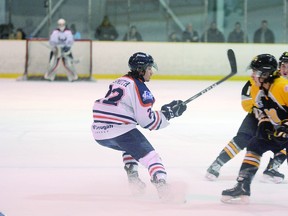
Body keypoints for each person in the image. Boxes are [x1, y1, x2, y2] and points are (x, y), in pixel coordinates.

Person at [91, 52, 187, 200]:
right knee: (152, 158)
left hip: (99, 132)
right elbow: (147, 121)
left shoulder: (120, 80)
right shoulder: (140, 87)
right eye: (149, 69)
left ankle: (133, 178)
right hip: (119, 129)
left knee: (129, 147)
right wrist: (168, 114)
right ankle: (163, 188)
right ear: (141, 70)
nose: (152, 72)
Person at [206, 52, 288, 183]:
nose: (285, 70)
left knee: (283, 140)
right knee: (243, 138)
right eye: (284, 66)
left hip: (279, 118)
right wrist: (257, 110)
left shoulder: (280, 84)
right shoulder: (267, 79)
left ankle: (273, 168)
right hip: (259, 115)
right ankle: (218, 163)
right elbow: (246, 100)